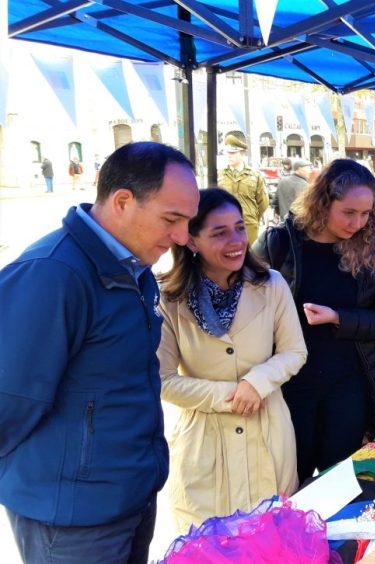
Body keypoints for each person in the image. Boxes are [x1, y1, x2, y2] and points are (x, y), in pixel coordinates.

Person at [0, 142, 199, 563]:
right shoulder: (52, 273)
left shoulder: (131, 267)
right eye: (171, 219)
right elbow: (8, 401)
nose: (182, 237)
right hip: (71, 520)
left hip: (128, 497)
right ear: (122, 201)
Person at [156, 188, 306, 533]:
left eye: (240, 228)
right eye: (219, 233)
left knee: (270, 538)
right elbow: (162, 378)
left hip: (267, 430)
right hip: (204, 440)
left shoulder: (271, 285)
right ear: (192, 241)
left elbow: (294, 351)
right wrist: (231, 395)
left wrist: (257, 383)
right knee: (209, 543)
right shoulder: (168, 297)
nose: (236, 240)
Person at [253, 159, 375, 482]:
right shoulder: (280, 243)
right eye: (349, 212)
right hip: (291, 386)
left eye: (366, 213)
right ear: (323, 201)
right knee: (291, 481)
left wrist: (339, 318)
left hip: (348, 386)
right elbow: (244, 300)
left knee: (340, 481)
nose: (358, 223)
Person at [218, 134, 269, 244]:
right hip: (224, 223)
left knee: (250, 256)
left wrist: (252, 217)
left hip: (248, 225)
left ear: (241, 153)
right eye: (227, 153)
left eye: (232, 153)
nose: (229, 156)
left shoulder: (255, 175)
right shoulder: (219, 175)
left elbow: (263, 202)